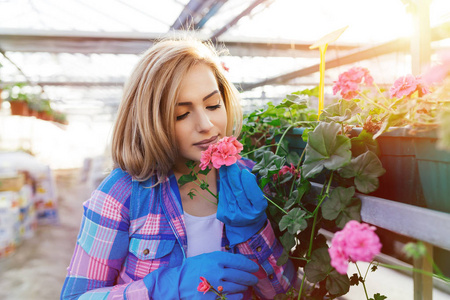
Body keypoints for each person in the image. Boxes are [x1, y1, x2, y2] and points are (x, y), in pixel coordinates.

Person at [61, 35, 295, 300]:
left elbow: (281, 291)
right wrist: (165, 288)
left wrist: (253, 229)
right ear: (151, 121)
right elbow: (76, 297)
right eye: (181, 114)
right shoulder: (122, 195)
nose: (206, 124)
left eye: (213, 104)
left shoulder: (250, 178)